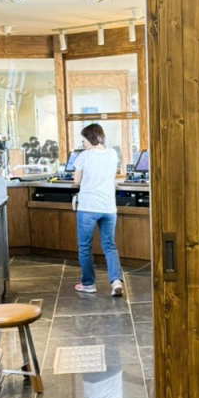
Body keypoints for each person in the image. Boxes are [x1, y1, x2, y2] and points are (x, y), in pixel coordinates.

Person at [72, 123, 124, 296]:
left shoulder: (84, 156)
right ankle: (116, 281)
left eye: (84, 140)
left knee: (85, 247)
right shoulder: (112, 153)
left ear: (90, 138)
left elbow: (76, 181)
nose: (83, 143)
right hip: (108, 207)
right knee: (109, 246)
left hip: (88, 207)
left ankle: (88, 284)